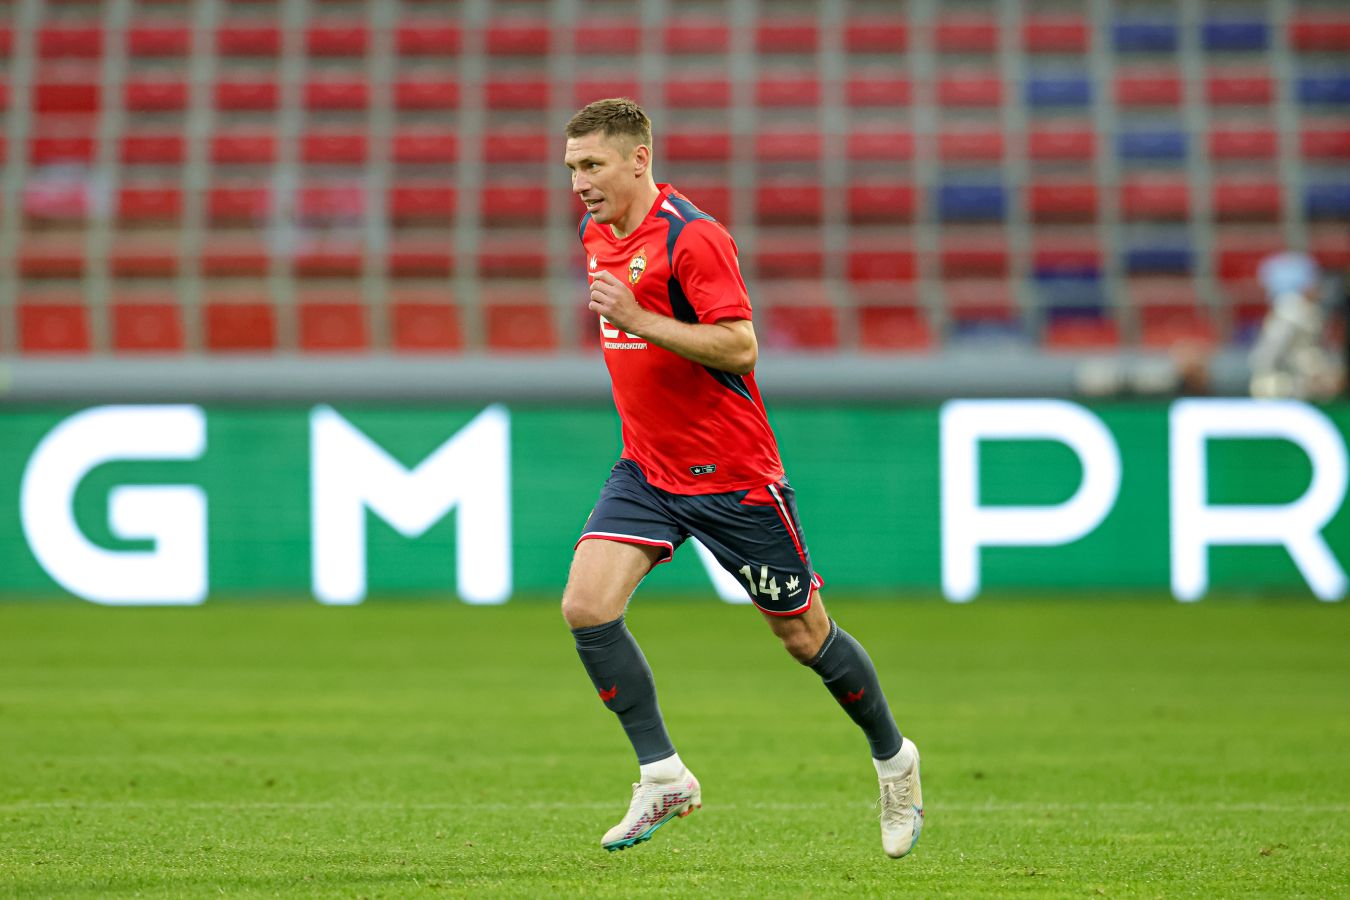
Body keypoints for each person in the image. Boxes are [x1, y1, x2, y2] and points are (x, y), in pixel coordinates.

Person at [559, 98, 922, 859]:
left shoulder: (693, 237)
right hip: (648, 468)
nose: (580, 183)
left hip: (732, 477)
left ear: (638, 160)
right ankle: (663, 776)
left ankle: (894, 760)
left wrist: (640, 318)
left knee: (803, 636)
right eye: (571, 167)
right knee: (587, 606)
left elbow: (741, 346)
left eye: (592, 165)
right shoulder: (597, 233)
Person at [1249, 252, 1343, 400]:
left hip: (1305, 384)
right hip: (1290, 388)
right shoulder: (1289, 311)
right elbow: (1268, 354)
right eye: (1313, 281)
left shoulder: (1306, 310)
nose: (1317, 287)